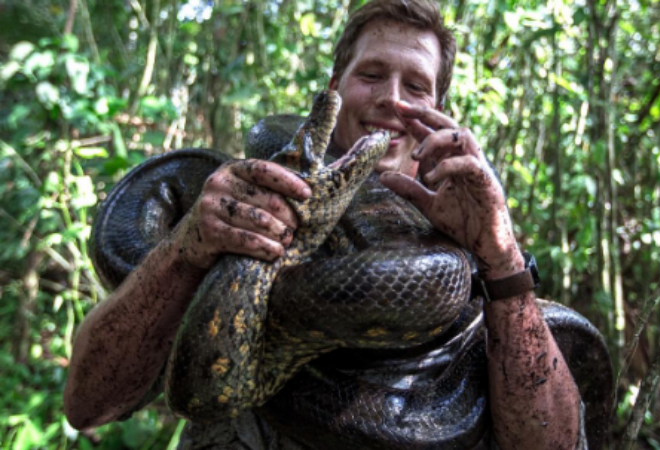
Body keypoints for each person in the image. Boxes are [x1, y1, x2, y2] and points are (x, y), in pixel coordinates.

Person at [64, 1, 585, 448]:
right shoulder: (241, 211)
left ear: (439, 111)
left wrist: (500, 260)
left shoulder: (473, 248)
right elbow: (89, 403)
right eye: (372, 75)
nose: (391, 99)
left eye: (416, 87)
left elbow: (553, 443)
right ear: (334, 89)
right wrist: (183, 250)